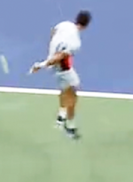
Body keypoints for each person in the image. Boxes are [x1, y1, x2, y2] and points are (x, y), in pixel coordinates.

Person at [29, 10, 91, 140]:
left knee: (65, 89)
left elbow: (53, 32)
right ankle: (70, 126)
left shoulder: (64, 24)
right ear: (86, 26)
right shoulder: (75, 43)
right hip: (63, 69)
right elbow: (60, 56)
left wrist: (52, 48)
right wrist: (41, 65)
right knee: (73, 94)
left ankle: (61, 114)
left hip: (56, 67)